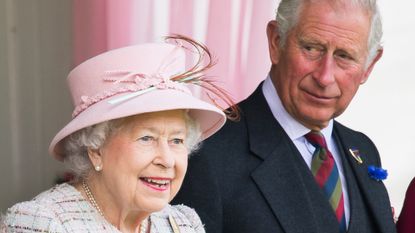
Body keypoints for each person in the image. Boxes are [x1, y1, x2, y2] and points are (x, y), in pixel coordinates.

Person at [172, 0, 397, 232]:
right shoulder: (203, 152)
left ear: (369, 66)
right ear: (276, 42)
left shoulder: (363, 150)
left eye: (344, 56)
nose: (325, 77)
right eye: (311, 48)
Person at [1, 35, 231, 232]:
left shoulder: (182, 224)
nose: (167, 160)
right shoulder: (42, 223)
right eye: (147, 138)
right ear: (95, 149)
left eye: (177, 140)